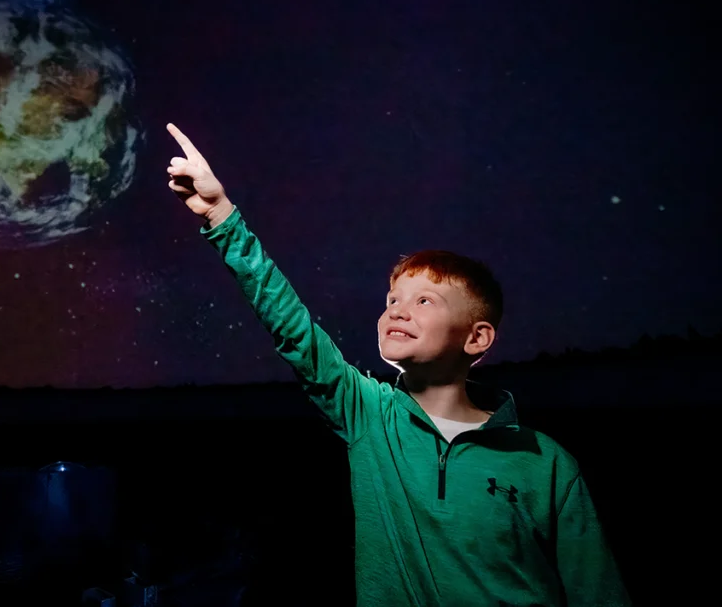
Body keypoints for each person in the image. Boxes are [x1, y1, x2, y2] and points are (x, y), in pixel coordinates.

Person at [164, 123, 631, 606]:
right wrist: (221, 214)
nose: (398, 310)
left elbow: (596, 591)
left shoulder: (545, 462)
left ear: (477, 337)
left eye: (425, 301)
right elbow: (293, 327)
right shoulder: (369, 416)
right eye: (392, 299)